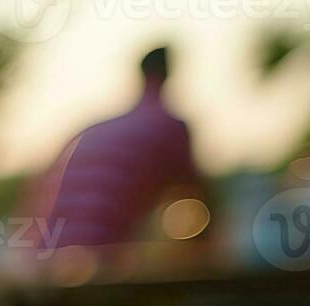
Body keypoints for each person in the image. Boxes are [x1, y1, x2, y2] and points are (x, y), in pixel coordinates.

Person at [27, 47, 201, 251]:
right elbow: (195, 194)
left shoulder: (99, 129)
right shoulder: (169, 127)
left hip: (49, 256)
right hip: (102, 259)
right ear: (169, 75)